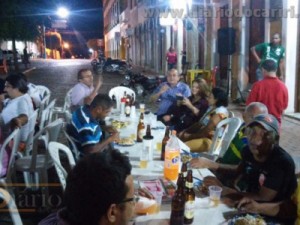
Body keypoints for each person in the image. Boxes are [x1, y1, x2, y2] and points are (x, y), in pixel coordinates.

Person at [191, 114, 297, 204]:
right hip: (246, 200)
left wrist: (226, 191)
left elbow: (263, 198)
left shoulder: (280, 163)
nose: (255, 140)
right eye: (252, 132)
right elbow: (239, 170)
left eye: (265, 135)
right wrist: (212, 166)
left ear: (275, 140)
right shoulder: (247, 151)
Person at [38, 150, 136, 225]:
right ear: (112, 212)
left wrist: (125, 192)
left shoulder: (64, 215)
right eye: (133, 200)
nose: (135, 204)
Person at [190, 102, 268, 187]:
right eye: (253, 118)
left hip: (232, 181)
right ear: (244, 116)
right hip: (222, 169)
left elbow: (241, 169)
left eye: (262, 119)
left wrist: (212, 164)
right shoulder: (244, 127)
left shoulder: (256, 142)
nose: (259, 123)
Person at [178, 87, 228, 153]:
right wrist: (185, 132)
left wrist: (189, 136)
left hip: (210, 141)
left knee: (180, 148)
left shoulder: (219, 114)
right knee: (177, 140)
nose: (207, 99)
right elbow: (199, 124)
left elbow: (206, 132)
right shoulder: (212, 108)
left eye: (210, 97)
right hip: (202, 136)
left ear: (216, 99)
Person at [246, 59, 288, 126]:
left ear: (263, 70)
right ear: (276, 70)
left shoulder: (258, 85)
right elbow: (284, 106)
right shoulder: (283, 87)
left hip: (259, 125)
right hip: (275, 125)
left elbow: (250, 106)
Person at [0, 74, 34, 146]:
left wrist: (18, 120)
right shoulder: (24, 96)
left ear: (17, 88)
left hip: (13, 143)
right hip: (11, 137)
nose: (4, 89)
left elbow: (24, 117)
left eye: (7, 86)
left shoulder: (22, 101)